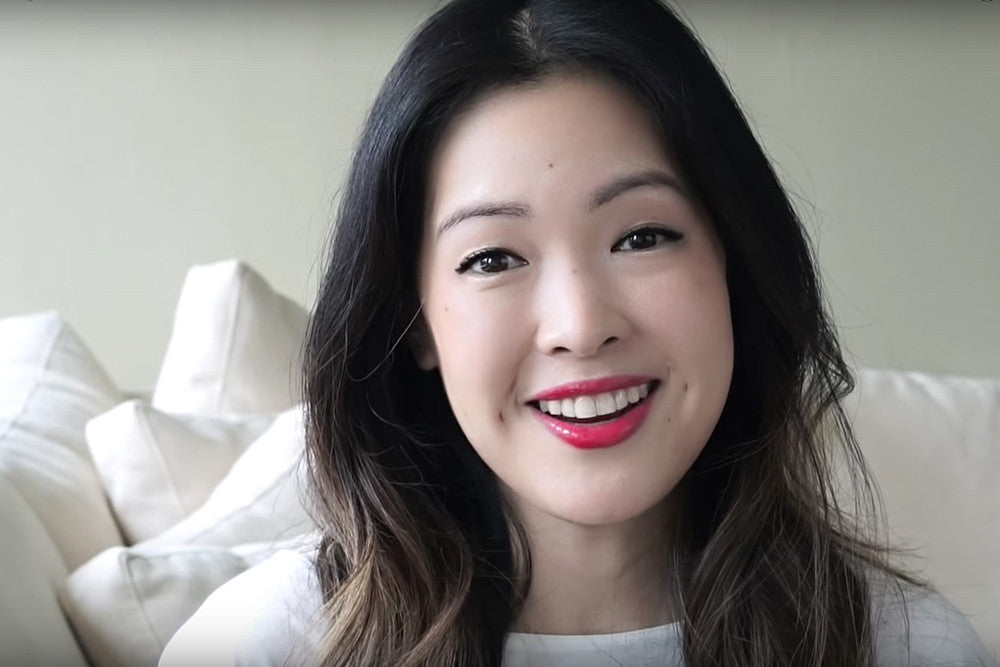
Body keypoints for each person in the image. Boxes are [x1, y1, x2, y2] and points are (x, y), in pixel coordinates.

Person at [160, 0, 996, 665]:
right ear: (415, 324)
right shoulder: (262, 645)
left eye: (642, 236)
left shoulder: (906, 647)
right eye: (492, 258)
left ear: (736, 269)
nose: (581, 325)